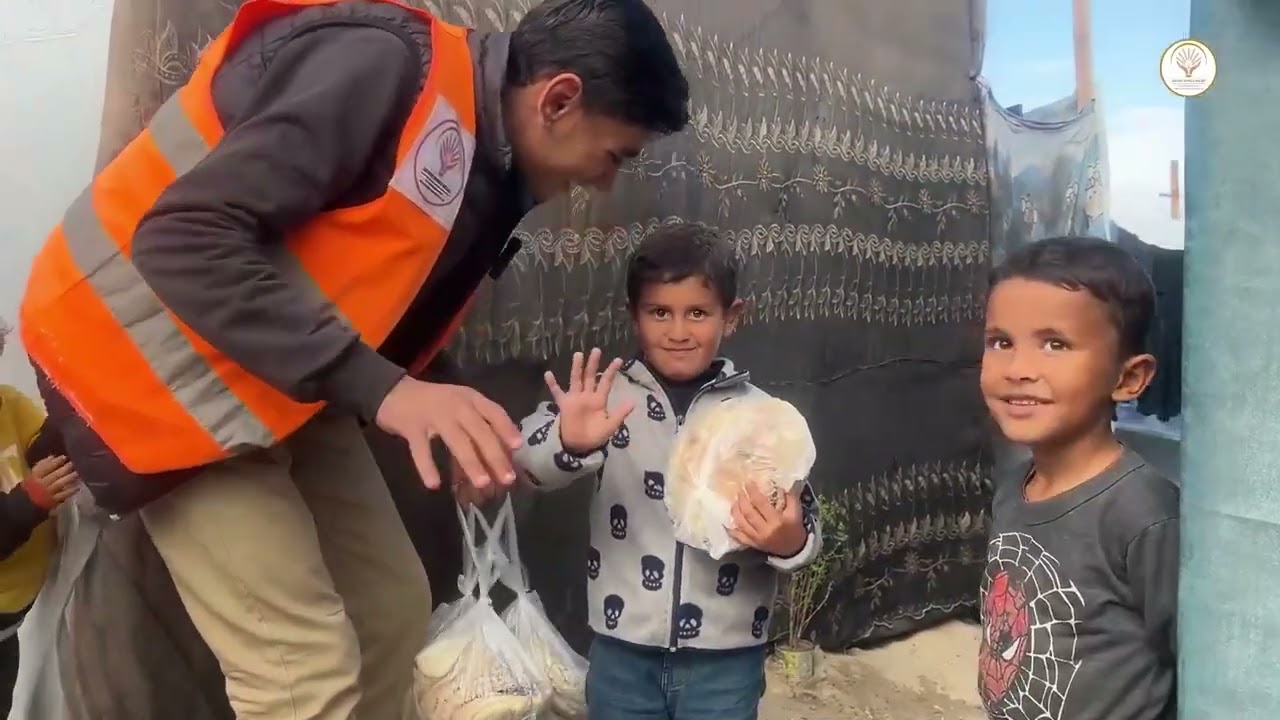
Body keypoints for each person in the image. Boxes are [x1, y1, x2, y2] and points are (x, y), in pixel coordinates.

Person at [17, 0, 689, 717]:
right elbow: (182, 238)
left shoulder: (483, 157)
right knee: (300, 672)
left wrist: (443, 409)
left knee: (390, 612)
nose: (607, 182)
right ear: (559, 99)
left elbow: (368, 287)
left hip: (271, 370)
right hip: (149, 367)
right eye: (614, 155)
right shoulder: (382, 70)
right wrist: (390, 394)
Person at [496, 224, 822, 720]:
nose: (678, 331)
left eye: (697, 312)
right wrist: (569, 441)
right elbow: (529, 465)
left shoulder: (764, 421)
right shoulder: (604, 402)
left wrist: (788, 540)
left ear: (731, 317)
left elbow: (805, 525)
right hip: (622, 651)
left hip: (726, 660)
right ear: (635, 316)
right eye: (659, 312)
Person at [977, 236, 1178, 720]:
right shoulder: (1013, 486)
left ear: (1128, 379)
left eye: (1055, 344)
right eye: (1001, 342)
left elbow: (1202, 663)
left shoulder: (1144, 513)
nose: (1019, 369)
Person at [0, 320, 79, 717]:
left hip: (10, 623)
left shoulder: (8, 403)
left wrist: (72, 418)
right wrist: (30, 501)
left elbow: (42, 448)